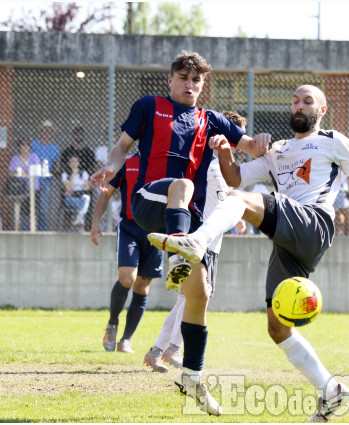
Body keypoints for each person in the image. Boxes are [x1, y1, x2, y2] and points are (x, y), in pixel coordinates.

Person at [146, 84, 349, 422]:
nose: (299, 106)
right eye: (295, 100)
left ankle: (195, 242)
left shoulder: (333, 140)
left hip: (314, 223)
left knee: (238, 203)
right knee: (277, 326)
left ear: (322, 109)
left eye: (307, 101)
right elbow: (235, 177)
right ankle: (331, 391)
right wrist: (226, 149)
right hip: (289, 239)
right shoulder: (278, 150)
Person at [89, 51, 269, 416]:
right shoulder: (148, 106)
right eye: (183, 78)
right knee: (184, 186)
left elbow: (251, 146)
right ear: (170, 80)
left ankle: (192, 375)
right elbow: (122, 148)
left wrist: (264, 141)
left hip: (187, 218)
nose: (189, 85)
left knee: (200, 293)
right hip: (147, 200)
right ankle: (177, 259)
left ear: (203, 86)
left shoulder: (212, 120)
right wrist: (109, 168)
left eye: (196, 80)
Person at [143, 111, 248, 374]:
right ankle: (169, 350)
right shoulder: (212, 165)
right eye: (235, 137)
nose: (236, 143)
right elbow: (217, 197)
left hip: (207, 241)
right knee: (195, 298)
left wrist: (235, 218)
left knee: (186, 299)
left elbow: (222, 198)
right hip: (203, 242)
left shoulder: (216, 167)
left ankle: (158, 351)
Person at [91, 152, 164, 354]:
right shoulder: (127, 163)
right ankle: (112, 324)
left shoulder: (167, 162)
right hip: (130, 227)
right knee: (126, 279)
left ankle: (126, 340)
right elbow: (106, 193)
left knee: (142, 286)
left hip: (156, 230)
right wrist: (96, 222)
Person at [31, 120, 60, 230]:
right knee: (30, 207)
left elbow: (55, 164)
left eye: (49, 131)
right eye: (44, 130)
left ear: (52, 133)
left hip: (46, 180)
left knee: (43, 208)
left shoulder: (55, 147)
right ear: (41, 132)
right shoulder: (34, 144)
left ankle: (42, 230)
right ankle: (28, 229)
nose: (46, 133)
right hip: (33, 179)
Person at [8, 138, 40, 231]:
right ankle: (18, 231)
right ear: (19, 147)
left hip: (32, 186)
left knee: (32, 212)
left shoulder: (34, 157)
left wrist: (27, 166)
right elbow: (10, 172)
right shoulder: (15, 158)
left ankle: (33, 231)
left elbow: (37, 169)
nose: (25, 147)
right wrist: (17, 172)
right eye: (23, 145)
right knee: (20, 213)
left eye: (27, 145)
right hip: (20, 188)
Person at [61, 155, 91, 232]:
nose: (74, 163)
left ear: (78, 163)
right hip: (70, 198)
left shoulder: (84, 173)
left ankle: (79, 220)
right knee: (84, 203)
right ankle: (80, 223)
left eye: (76, 161)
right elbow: (69, 189)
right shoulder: (65, 174)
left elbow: (87, 187)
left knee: (86, 198)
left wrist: (71, 188)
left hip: (81, 196)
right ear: (69, 163)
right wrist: (74, 175)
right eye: (72, 162)